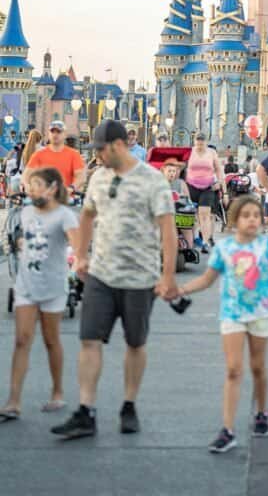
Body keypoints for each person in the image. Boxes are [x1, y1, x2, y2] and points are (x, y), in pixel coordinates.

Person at [51, 119, 176, 440]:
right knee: (89, 339)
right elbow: (88, 215)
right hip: (101, 275)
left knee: (135, 342)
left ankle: (129, 405)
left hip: (139, 276)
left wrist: (167, 276)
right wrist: (80, 255)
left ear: (118, 146)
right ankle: (86, 410)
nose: (98, 156)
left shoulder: (152, 180)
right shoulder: (99, 177)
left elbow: (167, 230)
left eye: (101, 150)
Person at [168, 195, 268, 452]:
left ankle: (262, 413)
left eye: (256, 215)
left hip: (260, 312)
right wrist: (182, 290)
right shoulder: (224, 249)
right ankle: (228, 430)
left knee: (258, 367)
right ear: (234, 220)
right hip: (233, 313)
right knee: (233, 370)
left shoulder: (266, 243)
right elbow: (207, 279)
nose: (252, 220)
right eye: (246, 215)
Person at [0, 168, 80, 422]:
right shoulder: (24, 213)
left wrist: (79, 265)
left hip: (54, 286)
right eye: (30, 186)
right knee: (22, 339)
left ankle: (57, 392)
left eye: (37, 185)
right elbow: (22, 239)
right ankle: (13, 401)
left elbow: (77, 247)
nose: (31, 190)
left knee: (50, 340)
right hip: (26, 284)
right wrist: (21, 244)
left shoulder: (64, 215)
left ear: (52, 188)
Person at [186, 132, 224, 253]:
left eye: (202, 142)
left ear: (206, 142)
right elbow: (181, 167)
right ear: (194, 141)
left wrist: (219, 182)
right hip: (191, 186)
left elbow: (218, 169)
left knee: (204, 214)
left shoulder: (211, 153)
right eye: (198, 141)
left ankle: (205, 242)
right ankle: (191, 239)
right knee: (190, 214)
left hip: (208, 187)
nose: (200, 144)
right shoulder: (189, 152)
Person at [22, 122, 86, 192]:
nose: (55, 134)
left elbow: (81, 176)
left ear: (64, 134)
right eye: (52, 131)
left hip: (66, 198)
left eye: (58, 132)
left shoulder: (74, 155)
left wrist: (72, 188)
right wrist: (27, 185)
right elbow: (26, 175)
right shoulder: (39, 154)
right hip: (44, 198)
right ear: (49, 134)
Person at [161, 160, 194, 252]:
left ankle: (189, 249)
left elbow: (188, 200)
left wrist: (183, 199)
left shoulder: (180, 183)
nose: (172, 173)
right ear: (163, 171)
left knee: (186, 226)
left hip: (179, 212)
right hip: (164, 213)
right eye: (169, 171)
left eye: (173, 171)